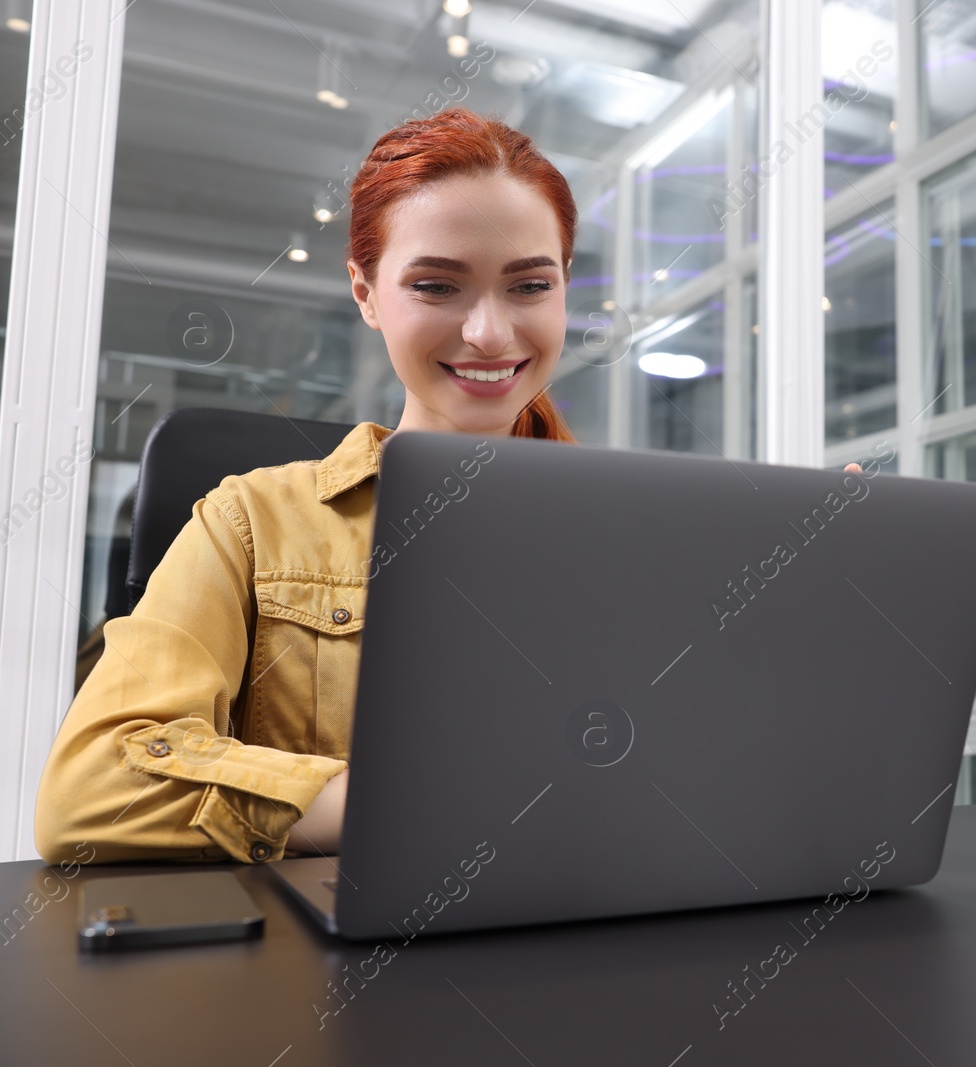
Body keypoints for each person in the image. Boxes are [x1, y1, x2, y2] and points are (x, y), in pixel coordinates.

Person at [33, 108, 579, 865]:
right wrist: (407, 810)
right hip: (341, 971)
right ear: (365, 292)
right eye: (435, 285)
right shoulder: (252, 522)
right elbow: (94, 785)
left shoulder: (632, 537)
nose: (489, 331)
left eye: (528, 285)